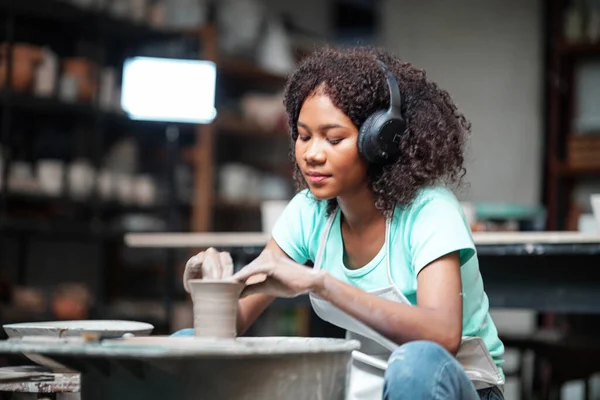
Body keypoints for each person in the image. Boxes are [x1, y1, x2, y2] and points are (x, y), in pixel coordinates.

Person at [178, 46, 505, 400]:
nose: (312, 154)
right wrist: (210, 285)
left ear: (379, 140)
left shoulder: (428, 210)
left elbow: (442, 336)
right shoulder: (309, 212)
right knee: (184, 346)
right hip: (366, 386)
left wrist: (321, 283)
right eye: (304, 136)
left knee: (414, 364)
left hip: (459, 383)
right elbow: (231, 324)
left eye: (333, 139)